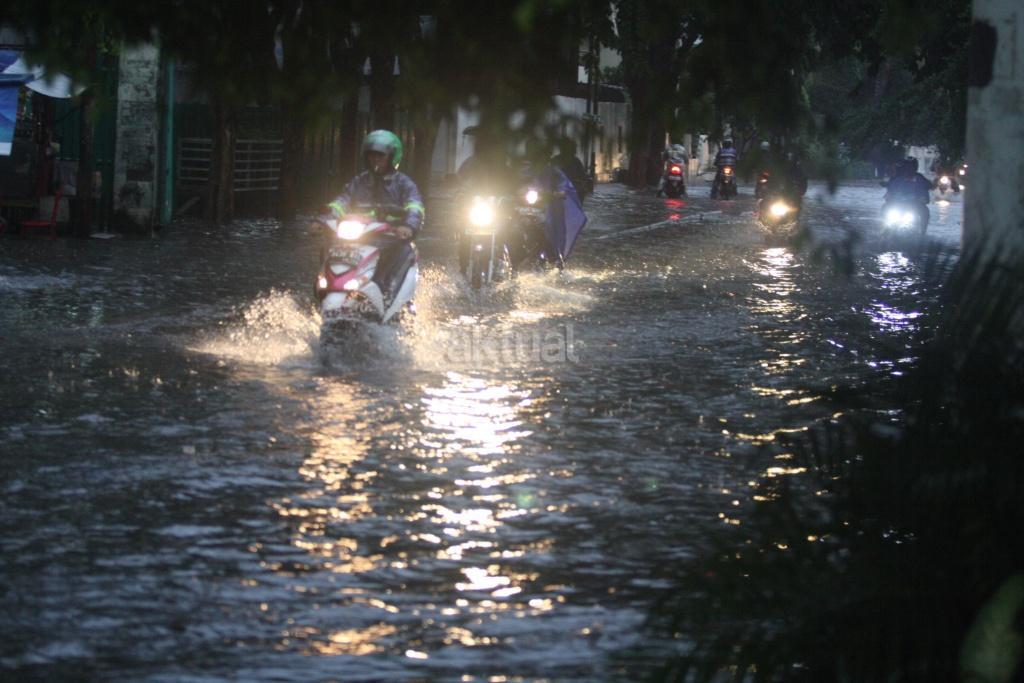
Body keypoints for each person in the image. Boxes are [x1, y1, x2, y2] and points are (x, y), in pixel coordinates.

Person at [325, 130, 424, 300]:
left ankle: (386, 294)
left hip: (391, 238)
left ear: (392, 157)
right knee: (328, 248)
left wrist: (407, 226)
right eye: (371, 155)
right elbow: (341, 202)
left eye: (380, 156)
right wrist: (323, 220)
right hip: (360, 237)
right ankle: (326, 286)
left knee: (402, 252)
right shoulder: (359, 182)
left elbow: (415, 206)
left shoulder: (404, 183)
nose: (375, 160)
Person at [551, 138, 590, 202]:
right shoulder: (555, 160)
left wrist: (584, 182)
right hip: (558, 189)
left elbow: (582, 175)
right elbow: (549, 173)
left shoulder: (576, 161)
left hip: (572, 189)